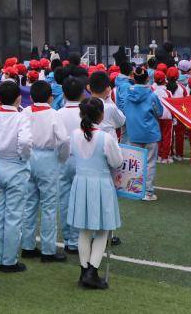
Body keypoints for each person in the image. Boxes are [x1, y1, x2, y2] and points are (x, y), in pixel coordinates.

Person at [67, 98, 123, 290]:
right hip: (100, 183)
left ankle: (85, 270)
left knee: (84, 229)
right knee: (102, 229)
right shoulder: (106, 138)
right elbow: (117, 162)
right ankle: (91, 271)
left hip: (81, 182)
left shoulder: (74, 134)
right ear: (100, 115)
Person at [0, 80, 30, 274]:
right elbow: (26, 142)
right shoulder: (21, 118)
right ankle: (9, 260)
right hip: (15, 166)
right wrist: (23, 157)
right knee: (13, 215)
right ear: (18, 97)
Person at [21, 80, 69, 262]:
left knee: (29, 203)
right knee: (49, 206)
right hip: (48, 158)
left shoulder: (25, 112)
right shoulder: (53, 114)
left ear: (31, 96)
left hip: (29, 156)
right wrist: (62, 159)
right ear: (51, 97)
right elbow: (64, 140)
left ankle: (27, 245)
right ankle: (48, 250)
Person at [118, 66, 162, 201]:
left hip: (134, 133)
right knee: (149, 163)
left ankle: (133, 189)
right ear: (147, 78)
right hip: (150, 133)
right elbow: (159, 113)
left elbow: (123, 110)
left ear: (133, 77)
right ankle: (147, 192)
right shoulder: (152, 95)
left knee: (135, 163)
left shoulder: (127, 94)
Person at [54, 77, 85, 255]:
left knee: (64, 199)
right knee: (81, 199)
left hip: (63, 159)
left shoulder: (58, 113)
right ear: (82, 94)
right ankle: (78, 238)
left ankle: (69, 239)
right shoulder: (86, 111)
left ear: (64, 94)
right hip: (82, 159)